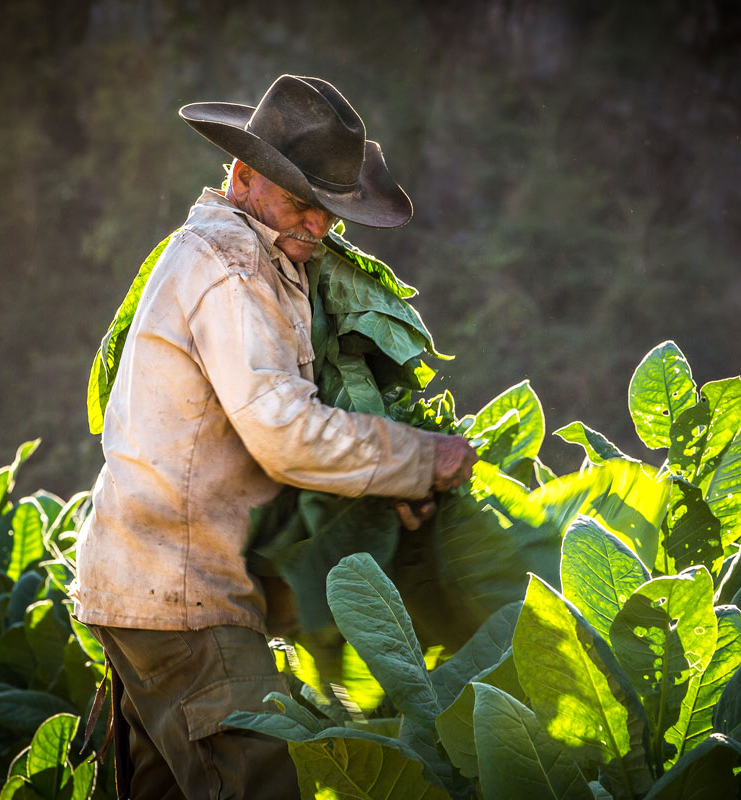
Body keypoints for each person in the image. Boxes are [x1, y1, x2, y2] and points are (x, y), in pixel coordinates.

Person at [71, 74, 477, 800]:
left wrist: (383, 493)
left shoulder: (256, 256)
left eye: (330, 213)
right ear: (244, 175)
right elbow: (284, 432)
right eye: (302, 204)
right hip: (184, 598)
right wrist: (422, 460)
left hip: (151, 587)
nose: (318, 228)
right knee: (264, 783)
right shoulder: (231, 268)